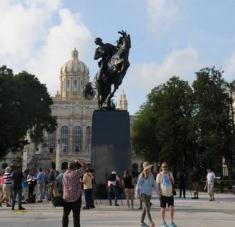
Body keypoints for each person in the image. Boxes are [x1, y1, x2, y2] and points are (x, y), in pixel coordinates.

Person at [62, 160, 86, 227]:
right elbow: (84, 166)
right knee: (76, 216)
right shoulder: (76, 173)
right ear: (75, 167)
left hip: (66, 198)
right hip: (76, 198)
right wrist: (78, 161)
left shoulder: (64, 174)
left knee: (65, 215)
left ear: (68, 167)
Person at [136, 161, 156, 227]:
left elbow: (154, 184)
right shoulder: (141, 175)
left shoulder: (151, 175)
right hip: (143, 194)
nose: (150, 169)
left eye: (150, 167)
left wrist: (158, 193)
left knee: (146, 208)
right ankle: (151, 222)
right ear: (146, 169)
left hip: (149, 195)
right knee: (147, 207)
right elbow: (138, 185)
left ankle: (142, 222)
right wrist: (136, 194)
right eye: (149, 168)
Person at [156, 161, 177, 227]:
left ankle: (171, 222)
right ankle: (163, 222)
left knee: (171, 208)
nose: (165, 168)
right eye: (163, 167)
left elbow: (173, 182)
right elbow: (158, 184)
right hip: (163, 194)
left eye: (166, 166)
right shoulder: (159, 175)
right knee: (163, 209)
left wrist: (171, 179)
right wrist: (159, 193)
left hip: (170, 194)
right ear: (161, 168)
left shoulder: (170, 173)